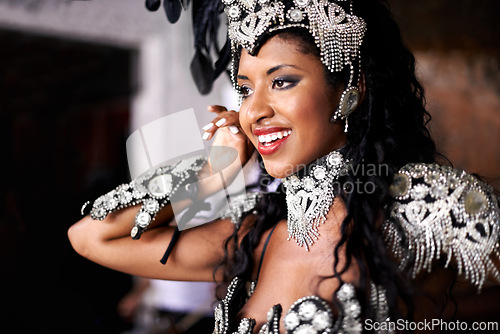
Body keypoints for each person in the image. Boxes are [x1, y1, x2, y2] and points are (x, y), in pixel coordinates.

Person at [69, 0, 500, 333]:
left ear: (351, 86)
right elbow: (91, 237)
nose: (253, 111)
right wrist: (212, 174)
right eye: (244, 88)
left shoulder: (421, 204)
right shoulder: (254, 235)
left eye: (282, 81)